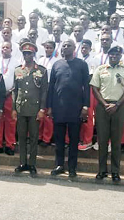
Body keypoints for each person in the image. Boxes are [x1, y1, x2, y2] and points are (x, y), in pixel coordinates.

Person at [90, 46, 124, 182]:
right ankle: (102, 170)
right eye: (112, 54)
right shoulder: (100, 69)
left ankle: (115, 171)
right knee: (102, 140)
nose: (114, 56)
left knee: (116, 141)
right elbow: (94, 88)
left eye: (117, 54)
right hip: (103, 106)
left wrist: (117, 104)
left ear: (120, 56)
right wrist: (104, 104)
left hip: (119, 106)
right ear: (108, 55)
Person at [47, 40, 90, 178]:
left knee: (73, 139)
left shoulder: (82, 64)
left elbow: (86, 86)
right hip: (59, 107)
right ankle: (59, 165)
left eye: (69, 46)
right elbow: (51, 87)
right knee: (59, 139)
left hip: (76, 108)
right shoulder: (56, 64)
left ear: (74, 48)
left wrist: (85, 106)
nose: (66, 48)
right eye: (64, 46)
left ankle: (72, 167)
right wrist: (49, 106)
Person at [12, 42, 48, 175]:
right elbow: (15, 90)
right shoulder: (17, 70)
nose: (27, 55)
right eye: (25, 53)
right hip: (21, 109)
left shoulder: (41, 71)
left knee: (33, 137)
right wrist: (14, 108)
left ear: (34, 54)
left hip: (34, 109)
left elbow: (44, 91)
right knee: (21, 137)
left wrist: (42, 109)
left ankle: (32, 163)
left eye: (29, 53)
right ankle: (22, 163)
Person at [0, 42, 20, 155]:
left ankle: (10, 145)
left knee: (10, 120)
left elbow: (18, 80)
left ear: (11, 50)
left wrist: (10, 90)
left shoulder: (17, 62)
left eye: (7, 47)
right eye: (3, 47)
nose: (5, 49)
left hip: (10, 95)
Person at [79, 39, 101, 151]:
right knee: (80, 115)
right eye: (82, 48)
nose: (83, 50)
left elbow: (91, 76)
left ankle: (88, 140)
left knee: (88, 114)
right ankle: (82, 139)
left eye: (86, 48)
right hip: (79, 90)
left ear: (90, 49)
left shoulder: (93, 60)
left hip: (89, 89)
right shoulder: (78, 59)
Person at [38, 40, 59, 146]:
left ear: (54, 49)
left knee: (48, 115)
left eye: (50, 48)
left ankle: (47, 138)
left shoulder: (56, 61)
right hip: (40, 89)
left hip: (51, 89)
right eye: (46, 47)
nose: (48, 49)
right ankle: (39, 136)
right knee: (40, 113)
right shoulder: (40, 60)